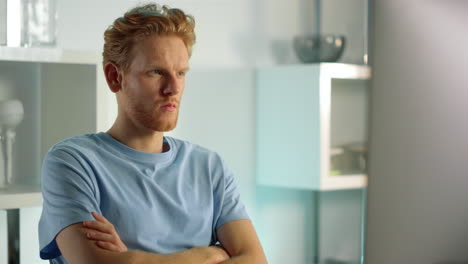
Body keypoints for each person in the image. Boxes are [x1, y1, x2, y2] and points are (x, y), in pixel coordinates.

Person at [38, 3, 267, 264]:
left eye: (181, 73)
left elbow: (255, 260)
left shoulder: (210, 167)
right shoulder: (73, 162)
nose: (174, 87)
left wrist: (133, 259)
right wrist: (206, 255)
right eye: (156, 72)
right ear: (115, 77)